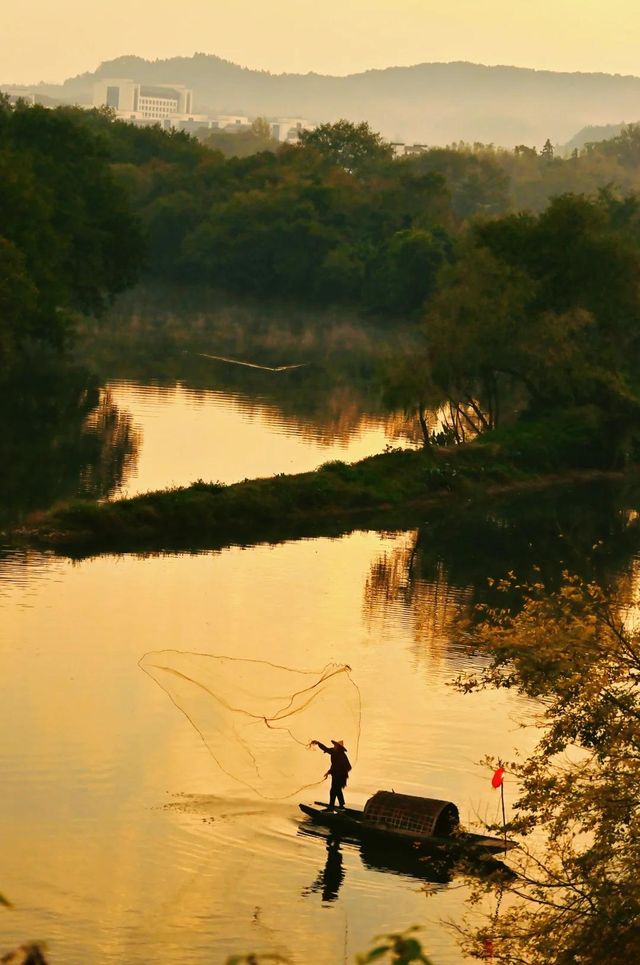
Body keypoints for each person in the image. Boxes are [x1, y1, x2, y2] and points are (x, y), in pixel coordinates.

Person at [311, 739, 351, 808]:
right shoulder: (334, 751)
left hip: (340, 776)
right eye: (334, 745)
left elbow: (346, 767)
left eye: (335, 745)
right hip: (336, 775)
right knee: (337, 790)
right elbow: (326, 749)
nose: (334, 746)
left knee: (333, 790)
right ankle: (341, 806)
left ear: (338, 747)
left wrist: (331, 771)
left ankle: (331, 806)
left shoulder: (341, 755)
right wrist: (318, 743)